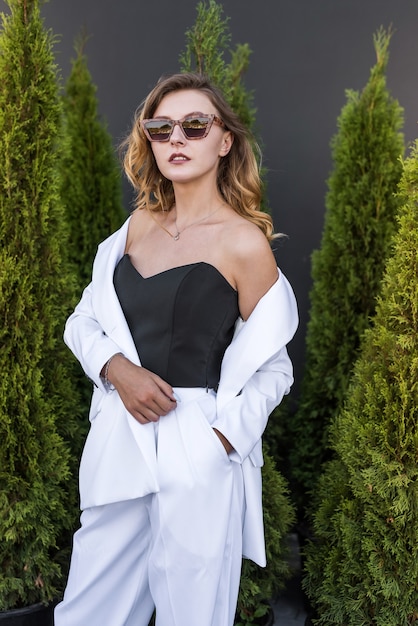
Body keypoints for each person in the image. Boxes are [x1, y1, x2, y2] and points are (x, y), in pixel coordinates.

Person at [54, 72, 298, 626]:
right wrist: (118, 369)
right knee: (89, 608)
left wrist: (222, 438)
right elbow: (84, 320)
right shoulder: (135, 227)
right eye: (161, 128)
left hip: (198, 448)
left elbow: (274, 365)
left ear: (225, 140)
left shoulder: (244, 242)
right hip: (121, 438)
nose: (177, 140)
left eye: (194, 125)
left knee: (192, 611)